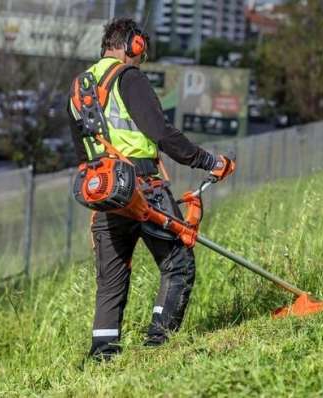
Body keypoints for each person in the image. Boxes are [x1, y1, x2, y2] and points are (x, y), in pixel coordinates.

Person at [67, 17, 235, 361]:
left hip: (105, 192)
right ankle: (157, 346)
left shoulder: (78, 88)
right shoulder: (129, 78)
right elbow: (161, 133)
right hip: (144, 189)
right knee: (178, 264)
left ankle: (103, 357)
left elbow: (82, 151)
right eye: (141, 52)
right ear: (133, 45)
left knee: (111, 281)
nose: (141, 59)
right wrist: (208, 161)